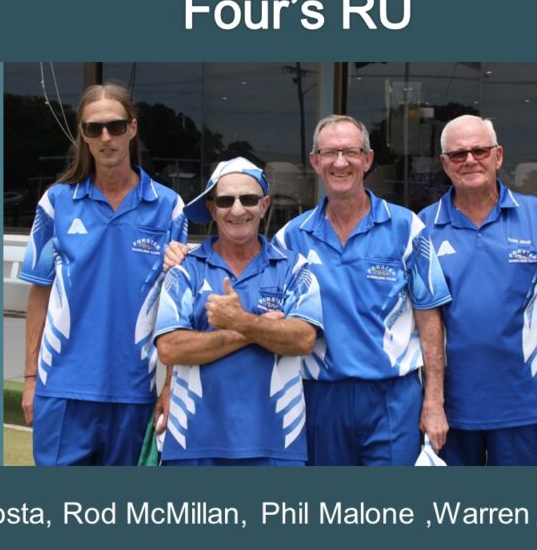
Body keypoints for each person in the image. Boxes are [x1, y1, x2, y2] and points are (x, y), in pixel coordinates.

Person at [167, 116, 451, 465]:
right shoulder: (292, 237)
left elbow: (429, 317)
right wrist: (182, 253)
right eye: (330, 152)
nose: (340, 162)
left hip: (391, 397)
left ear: (368, 158)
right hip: (319, 397)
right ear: (315, 161)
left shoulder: (408, 227)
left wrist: (434, 401)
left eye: (350, 151)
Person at [19, 83, 187, 466]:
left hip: (133, 393)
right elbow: (39, 293)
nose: (105, 137)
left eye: (114, 126)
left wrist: (170, 386)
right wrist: (30, 380)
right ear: (83, 134)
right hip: (61, 390)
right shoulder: (55, 203)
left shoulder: (168, 207)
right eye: (94, 128)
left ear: (132, 127)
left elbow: (178, 309)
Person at [418, 115, 537, 466]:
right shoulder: (423, 227)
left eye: (479, 150)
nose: (470, 160)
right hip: (452, 408)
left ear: (498, 156)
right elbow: (424, 319)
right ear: (445, 164)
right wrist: (432, 401)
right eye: (458, 154)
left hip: (526, 404)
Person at [153, 157, 322, 466]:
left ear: (264, 205)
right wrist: (250, 330)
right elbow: (170, 347)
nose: (237, 209)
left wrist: (239, 321)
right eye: (225, 200)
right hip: (193, 441)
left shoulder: (294, 268)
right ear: (211, 208)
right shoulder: (184, 270)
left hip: (276, 442)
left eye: (248, 199)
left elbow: (303, 339)